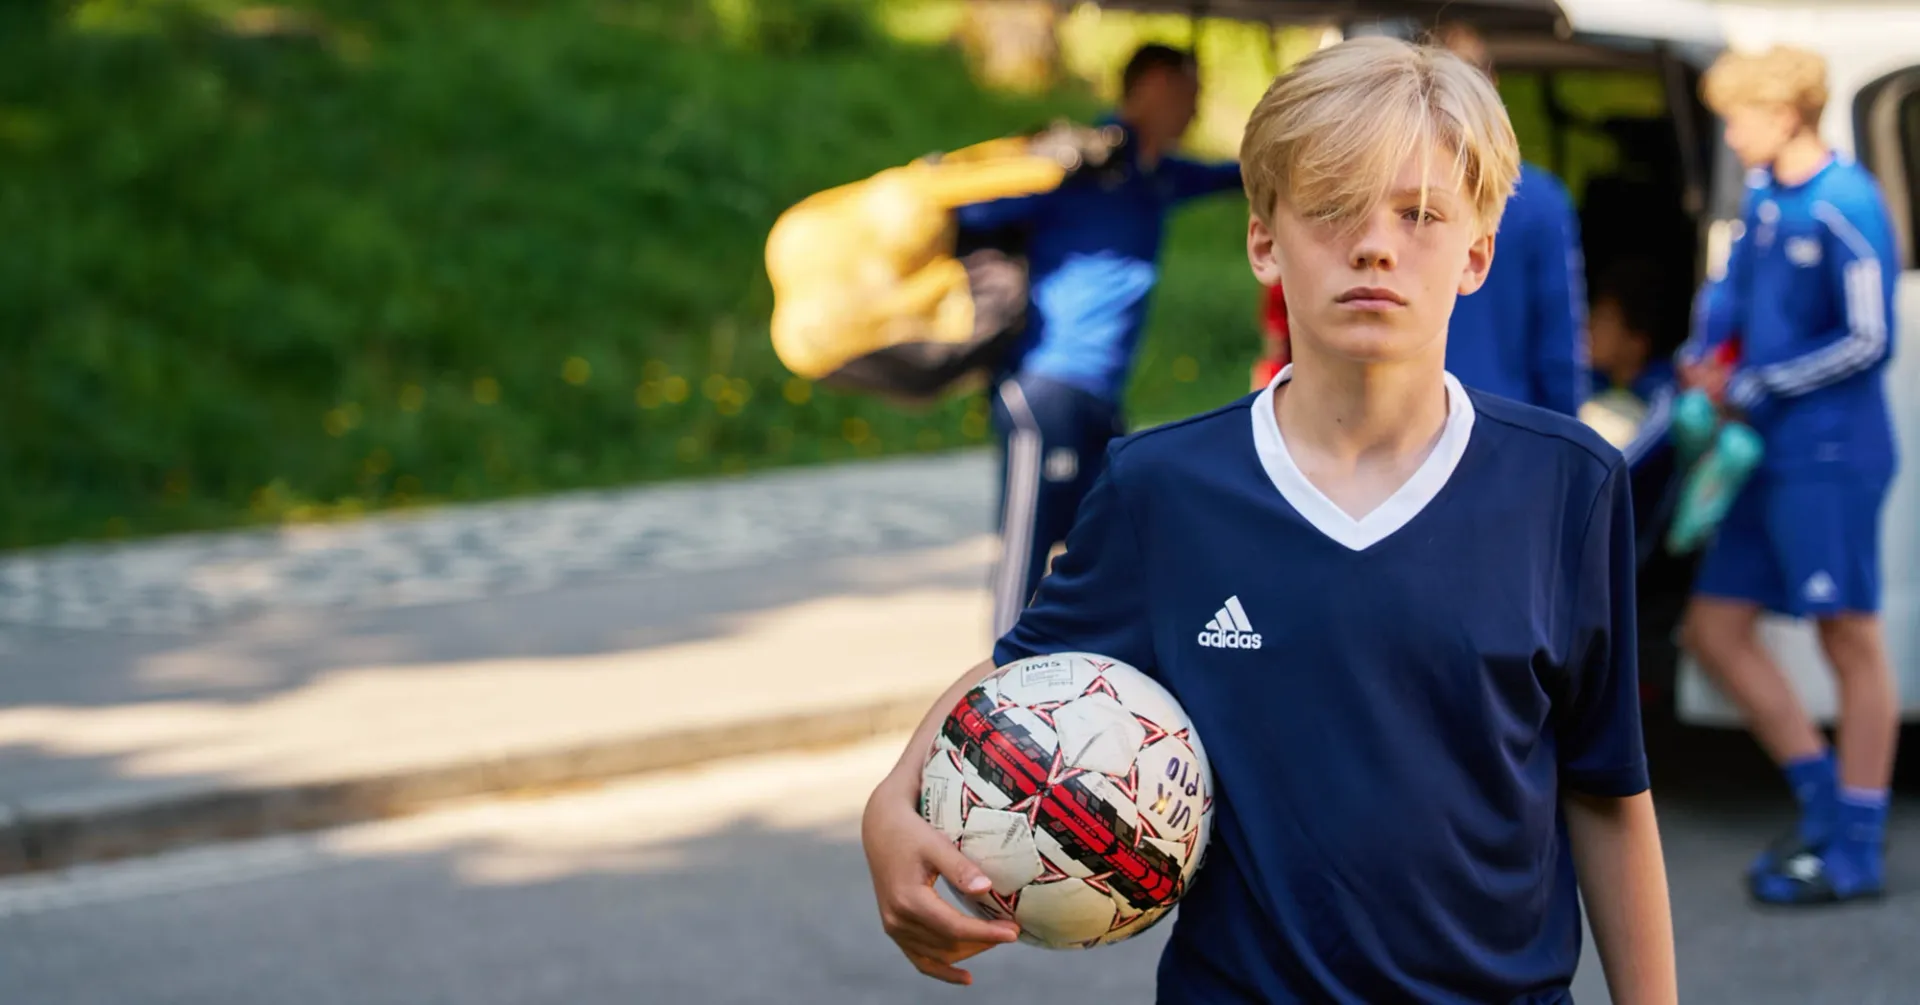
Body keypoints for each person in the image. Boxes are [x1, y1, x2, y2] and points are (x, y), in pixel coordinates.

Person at [862, 37, 1677, 1003]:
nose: (1376, 243)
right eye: (1334, 208)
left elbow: (1606, 790)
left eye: (1420, 214)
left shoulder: (1568, 483)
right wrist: (887, 806)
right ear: (1264, 241)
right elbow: (1019, 675)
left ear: (1476, 253)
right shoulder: (1165, 486)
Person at [1678, 45, 1901, 905]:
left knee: (1850, 638)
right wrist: (1705, 358)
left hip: (1832, 457)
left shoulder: (1847, 202)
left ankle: (1857, 845)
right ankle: (1820, 803)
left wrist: (1759, 381)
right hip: (1758, 453)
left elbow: (1871, 338)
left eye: (1740, 118)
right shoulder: (1765, 198)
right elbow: (1732, 301)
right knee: (1714, 629)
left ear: (1789, 114)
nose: (1731, 135)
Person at [955, 43, 1243, 638]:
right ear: (1155, 85)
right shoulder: (1083, 162)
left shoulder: (1156, 176)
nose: (1197, 109)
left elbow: (1237, 175)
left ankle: (1085, 679)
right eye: (1191, 91)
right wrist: (1041, 160)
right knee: (1025, 555)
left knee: (1114, 543)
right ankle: (992, 701)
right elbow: (971, 204)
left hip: (1099, 403)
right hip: (1043, 388)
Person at [1435, 22, 1590, 417]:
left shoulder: (1387, 193)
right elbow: (1559, 340)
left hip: (1400, 428)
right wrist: (1565, 436)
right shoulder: (1541, 198)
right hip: (1505, 423)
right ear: (1493, 86)